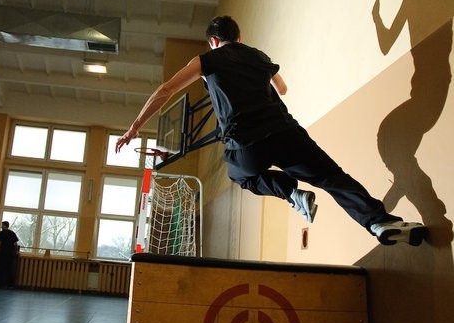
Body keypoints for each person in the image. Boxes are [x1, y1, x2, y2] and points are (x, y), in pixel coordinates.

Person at [116, 16, 428, 246]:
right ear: (239, 38)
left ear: (213, 41)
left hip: (245, 143)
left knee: (240, 176)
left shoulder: (207, 60)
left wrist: (134, 128)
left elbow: (166, 89)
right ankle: (380, 222)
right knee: (333, 178)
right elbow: (283, 87)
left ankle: (291, 192)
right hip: (285, 133)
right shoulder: (260, 56)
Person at [0, 220, 20, 287]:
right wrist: (16, 251)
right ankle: (10, 284)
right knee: (9, 269)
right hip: (10, 253)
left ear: (4, 225)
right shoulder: (12, 233)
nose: (1, 226)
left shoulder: (1, 233)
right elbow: (15, 244)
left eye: (2, 225)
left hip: (2, 253)